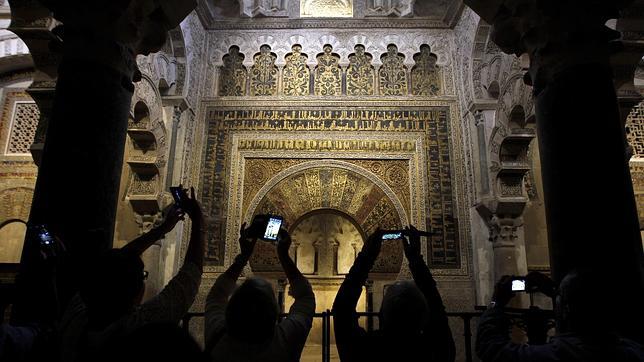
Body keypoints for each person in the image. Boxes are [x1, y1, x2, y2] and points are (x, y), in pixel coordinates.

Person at [58, 187, 205, 362]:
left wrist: (162, 229)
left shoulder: (75, 317)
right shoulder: (140, 330)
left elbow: (109, 267)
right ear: (137, 295)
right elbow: (189, 278)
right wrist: (198, 221)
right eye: (143, 276)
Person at [332, 226, 455, 362]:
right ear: (424, 316)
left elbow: (341, 310)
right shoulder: (436, 352)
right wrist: (415, 259)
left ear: (381, 315)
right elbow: (437, 308)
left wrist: (367, 256)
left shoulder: (364, 351)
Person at [476, 270, 644, 361]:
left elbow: (491, 348)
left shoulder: (556, 356)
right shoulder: (633, 351)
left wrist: (496, 303)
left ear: (566, 310)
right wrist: (556, 291)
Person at [204, 224, 315, 362]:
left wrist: (243, 257)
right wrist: (284, 256)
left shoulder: (217, 337)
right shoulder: (285, 343)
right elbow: (306, 297)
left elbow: (216, 294)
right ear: (275, 313)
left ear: (231, 310)